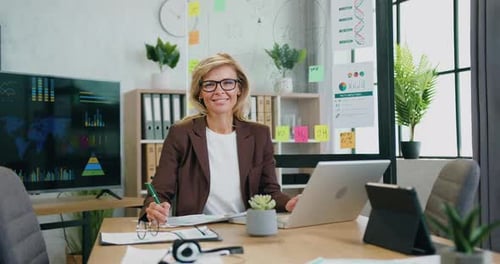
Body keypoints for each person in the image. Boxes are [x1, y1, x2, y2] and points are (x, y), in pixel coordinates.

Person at [141, 53, 299, 224]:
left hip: (246, 228)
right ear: (200, 92)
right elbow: (160, 191)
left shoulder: (259, 135)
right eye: (209, 84)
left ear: (239, 89)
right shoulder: (181, 134)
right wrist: (154, 207)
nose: (219, 90)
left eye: (228, 83)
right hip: (198, 230)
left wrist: (289, 203)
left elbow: (270, 191)